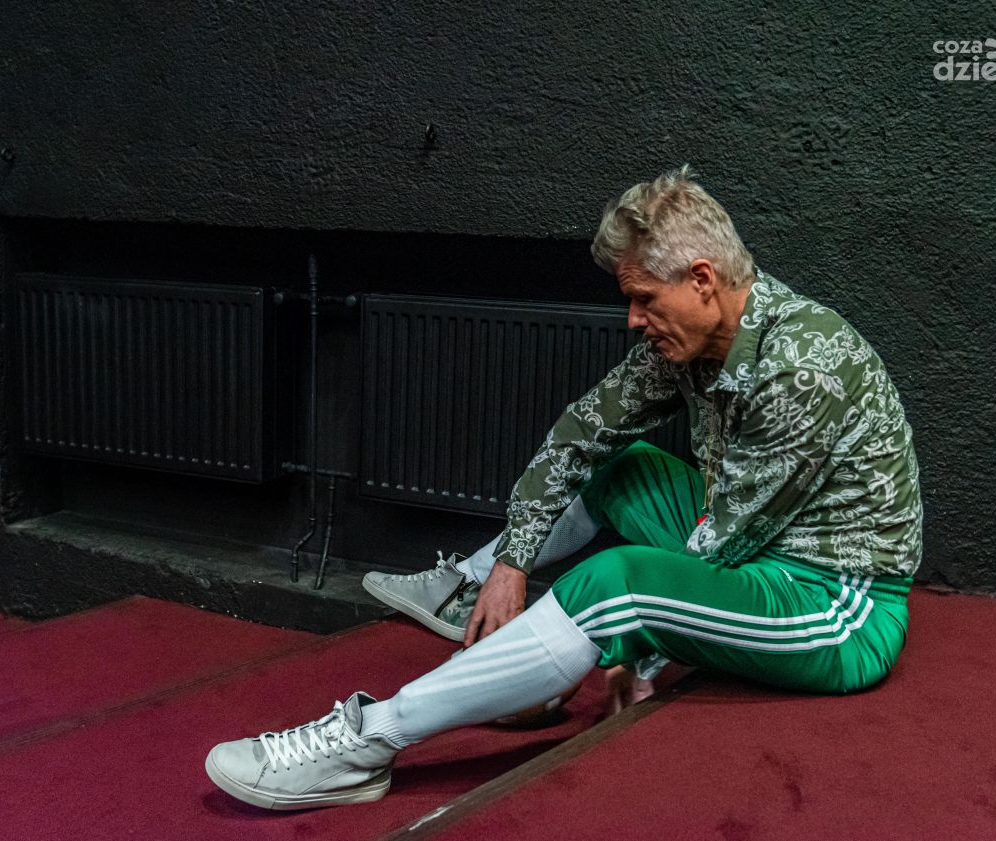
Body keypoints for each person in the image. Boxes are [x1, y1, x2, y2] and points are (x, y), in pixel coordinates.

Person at [204, 165, 923, 811]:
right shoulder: (694, 338)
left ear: (703, 279)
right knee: (617, 465)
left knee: (616, 585)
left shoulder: (802, 368)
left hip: (834, 603)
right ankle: (474, 586)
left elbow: (724, 547)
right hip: (748, 536)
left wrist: (629, 653)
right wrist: (513, 562)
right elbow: (583, 433)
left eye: (644, 298)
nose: (633, 318)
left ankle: (367, 740)